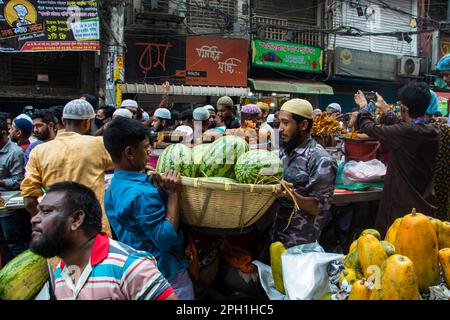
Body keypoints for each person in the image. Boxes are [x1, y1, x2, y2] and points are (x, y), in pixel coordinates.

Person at [30, 181, 178, 300]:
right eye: (38, 211)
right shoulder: (61, 274)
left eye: (46, 211)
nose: (34, 219)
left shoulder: (129, 267)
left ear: (76, 219)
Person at [103, 117, 194, 300]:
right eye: (145, 147)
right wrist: (174, 194)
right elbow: (164, 238)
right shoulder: (141, 194)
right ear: (129, 153)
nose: (149, 151)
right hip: (165, 273)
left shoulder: (113, 186)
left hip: (138, 270)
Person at [352, 83, 440, 234]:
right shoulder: (432, 131)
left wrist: (364, 107)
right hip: (424, 200)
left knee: (396, 243)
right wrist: (385, 108)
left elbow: (368, 127)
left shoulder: (406, 132)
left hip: (403, 204)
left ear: (404, 108)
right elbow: (404, 127)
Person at [21, 99, 113, 236]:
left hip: (56, 230)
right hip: (92, 230)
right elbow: (125, 165)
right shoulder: (99, 145)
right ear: (89, 122)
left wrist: (47, 221)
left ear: (63, 121)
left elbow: (29, 200)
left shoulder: (39, 151)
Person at [271, 99, 337, 248]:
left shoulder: (321, 159)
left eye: (285, 123)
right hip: (276, 235)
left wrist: (290, 194)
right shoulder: (285, 151)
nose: (280, 128)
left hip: (299, 243)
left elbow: (317, 207)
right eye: (279, 123)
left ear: (303, 125)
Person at [0, 117, 29, 263]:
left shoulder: (15, 152)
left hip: (8, 207)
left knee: (13, 243)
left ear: (4, 133)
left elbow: (18, 181)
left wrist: (1, 181)